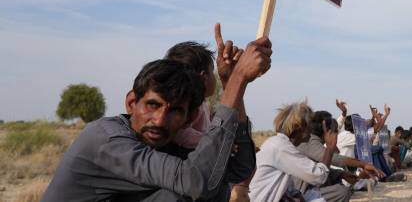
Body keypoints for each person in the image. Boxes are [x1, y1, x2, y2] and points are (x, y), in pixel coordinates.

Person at [42, 34, 272, 201]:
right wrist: (238, 79)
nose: (160, 120)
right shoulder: (106, 139)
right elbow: (196, 181)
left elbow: (239, 169)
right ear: (132, 102)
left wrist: (231, 82)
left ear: (189, 116)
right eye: (152, 105)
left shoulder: (166, 141)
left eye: (174, 111)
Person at [249, 101, 336, 202]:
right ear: (299, 126)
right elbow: (319, 176)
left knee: (313, 195)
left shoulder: (278, 143)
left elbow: (289, 189)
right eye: (308, 125)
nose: (311, 129)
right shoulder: (281, 147)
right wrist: (330, 148)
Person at [295, 111, 385, 202]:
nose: (336, 133)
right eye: (334, 130)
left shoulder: (318, 141)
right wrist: (363, 164)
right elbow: (335, 159)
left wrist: (341, 174)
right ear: (325, 128)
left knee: (348, 185)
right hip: (301, 192)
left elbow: (316, 168)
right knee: (342, 191)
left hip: (327, 179)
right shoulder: (310, 141)